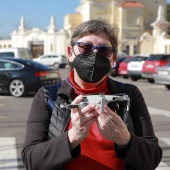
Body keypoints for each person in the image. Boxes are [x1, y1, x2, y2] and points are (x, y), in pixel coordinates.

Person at [21, 20, 162, 170]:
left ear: (113, 59)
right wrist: (72, 137)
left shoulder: (129, 94)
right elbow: (31, 160)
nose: (94, 55)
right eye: (85, 47)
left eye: (104, 50)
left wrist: (125, 139)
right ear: (70, 53)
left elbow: (151, 159)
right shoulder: (48, 96)